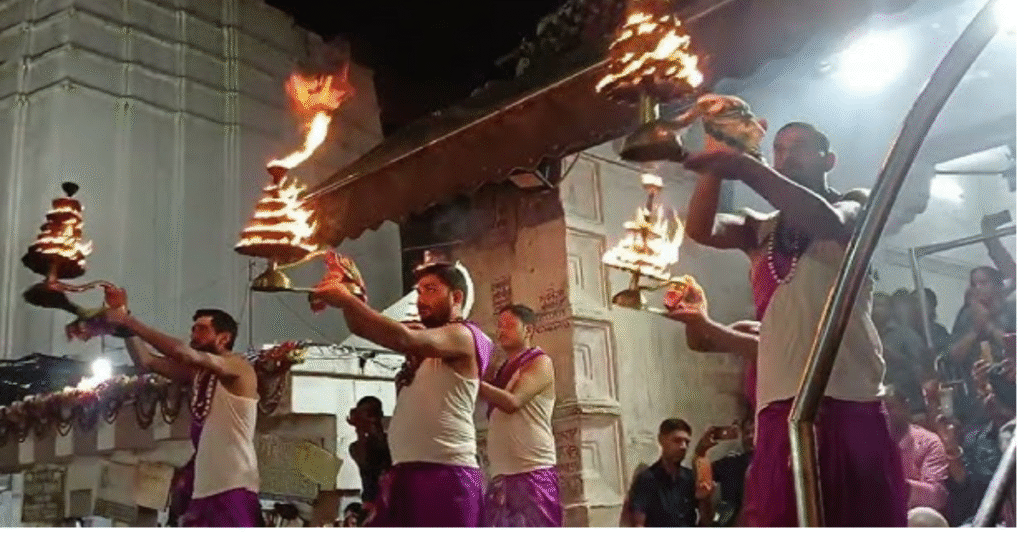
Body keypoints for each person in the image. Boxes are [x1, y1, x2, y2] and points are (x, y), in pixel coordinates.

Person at [680, 121, 907, 526]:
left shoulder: (854, 204)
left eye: (800, 148)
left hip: (848, 398)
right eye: (780, 150)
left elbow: (829, 224)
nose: (787, 158)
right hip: (778, 405)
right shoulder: (758, 228)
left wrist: (747, 168)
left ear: (828, 160)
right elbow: (701, 228)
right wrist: (715, 164)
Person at [310, 261, 492, 527]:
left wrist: (347, 300)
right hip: (405, 473)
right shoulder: (427, 348)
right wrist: (353, 293)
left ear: (456, 297)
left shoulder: (464, 335)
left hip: (446, 475)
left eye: (430, 290)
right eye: (418, 292)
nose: (420, 299)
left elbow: (403, 338)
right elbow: (362, 328)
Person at [100, 286, 261, 527]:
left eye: (203, 329)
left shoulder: (238, 367)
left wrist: (130, 322)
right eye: (193, 328)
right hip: (204, 488)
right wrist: (121, 315)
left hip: (234, 483)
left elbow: (183, 353)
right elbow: (147, 361)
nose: (194, 334)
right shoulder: (198, 374)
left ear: (224, 338)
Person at [477, 304, 560, 527]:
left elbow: (513, 402)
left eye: (510, 326)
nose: (501, 331)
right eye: (500, 326)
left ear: (529, 330)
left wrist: (471, 381)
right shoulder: (501, 369)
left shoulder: (540, 362)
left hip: (532, 470)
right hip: (502, 473)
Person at [629, 418, 712, 527]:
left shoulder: (690, 477)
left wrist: (704, 499)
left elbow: (706, 523)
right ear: (661, 440)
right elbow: (638, 524)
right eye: (677, 440)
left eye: (687, 442)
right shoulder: (647, 479)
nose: (683, 447)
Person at [883, 384, 949, 512]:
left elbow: (937, 497)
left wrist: (897, 485)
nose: (885, 413)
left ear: (906, 406)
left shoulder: (929, 442)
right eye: (879, 409)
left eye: (890, 407)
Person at [692, 411, 755, 527]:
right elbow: (701, 478)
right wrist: (701, 451)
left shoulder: (775, 463)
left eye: (755, 432)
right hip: (728, 518)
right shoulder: (731, 463)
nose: (750, 436)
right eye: (746, 432)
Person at [874, 291, 930, 418]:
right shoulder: (867, 338)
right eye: (873, 305)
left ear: (890, 309)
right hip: (880, 410)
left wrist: (896, 358)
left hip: (911, 408)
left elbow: (923, 369)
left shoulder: (905, 334)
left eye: (881, 305)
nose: (876, 310)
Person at [348, 396, 392, 518]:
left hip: (393, 502)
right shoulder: (356, 447)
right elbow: (364, 462)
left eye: (372, 413)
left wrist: (370, 425)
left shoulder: (391, 441)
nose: (368, 418)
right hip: (371, 504)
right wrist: (359, 428)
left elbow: (383, 448)